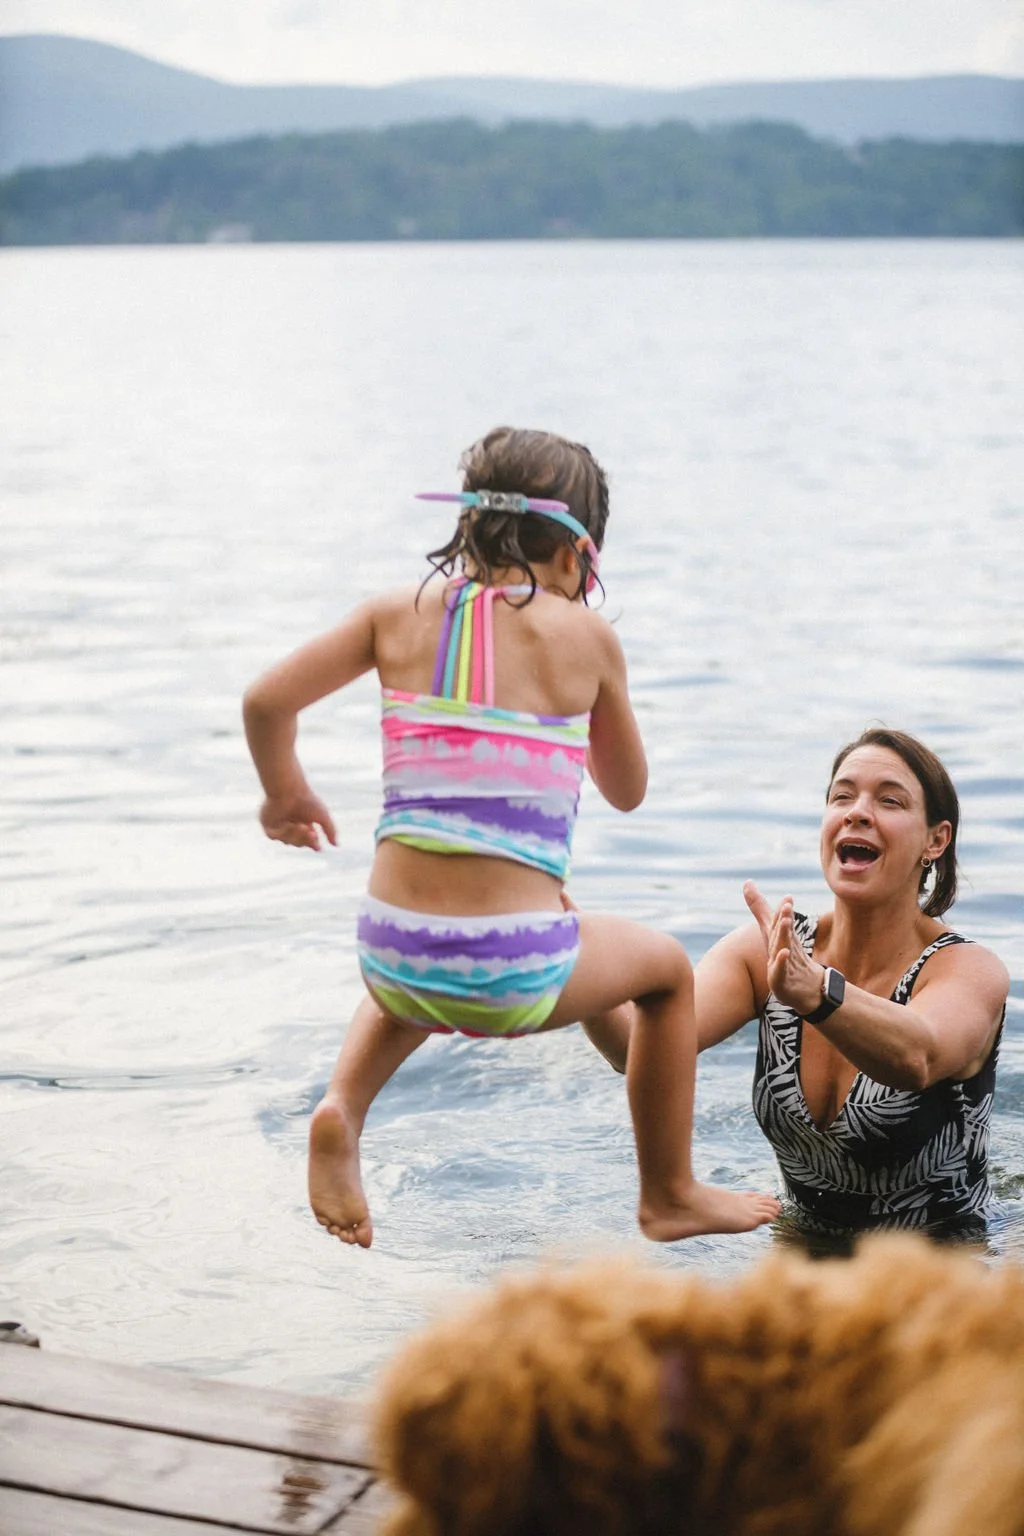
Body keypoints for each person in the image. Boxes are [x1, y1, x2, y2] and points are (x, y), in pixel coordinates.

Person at [243, 426, 780, 1249]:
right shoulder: (585, 637)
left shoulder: (394, 614)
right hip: (511, 970)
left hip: (391, 954)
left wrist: (287, 795)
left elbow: (266, 703)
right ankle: (669, 1191)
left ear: (466, 529)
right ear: (576, 556)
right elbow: (628, 792)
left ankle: (342, 1111)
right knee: (669, 973)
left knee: (425, 968)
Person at [583, 728, 1009, 1238]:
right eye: (842, 796)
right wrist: (574, 964)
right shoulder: (765, 951)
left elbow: (918, 1056)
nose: (856, 811)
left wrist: (817, 994)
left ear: (935, 841)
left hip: (935, 1270)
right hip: (800, 1247)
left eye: (889, 800)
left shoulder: (967, 969)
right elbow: (637, 1047)